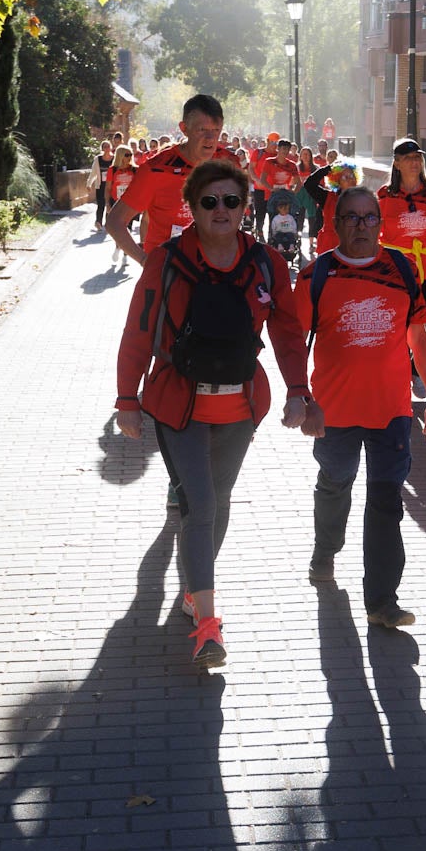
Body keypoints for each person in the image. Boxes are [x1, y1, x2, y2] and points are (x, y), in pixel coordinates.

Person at [115, 160, 310, 668]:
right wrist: (126, 399)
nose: (221, 210)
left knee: (217, 502)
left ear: (246, 207)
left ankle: (190, 590)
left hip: (240, 407)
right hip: (179, 405)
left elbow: (289, 332)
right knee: (199, 505)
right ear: (193, 207)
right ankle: (208, 625)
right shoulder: (167, 259)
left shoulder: (268, 262)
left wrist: (298, 389)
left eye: (231, 201)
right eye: (209, 202)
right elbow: (139, 331)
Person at [296, 187, 426, 627]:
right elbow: (291, 347)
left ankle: (382, 601)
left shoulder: (400, 268)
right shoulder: (315, 276)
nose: (361, 226)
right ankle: (325, 550)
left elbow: (418, 338)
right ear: (336, 223)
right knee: (335, 484)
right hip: (333, 412)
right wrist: (303, 401)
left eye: (369, 218)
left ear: (381, 224)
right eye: (352, 218)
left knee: (385, 502)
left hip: (392, 411)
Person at [107, 94, 229, 267]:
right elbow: (114, 222)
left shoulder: (229, 163)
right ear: (184, 128)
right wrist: (144, 260)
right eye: (202, 130)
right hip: (169, 270)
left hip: (214, 269)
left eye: (216, 130)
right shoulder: (156, 169)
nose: (210, 138)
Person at [379, 140, 426, 395]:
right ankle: (397, 370)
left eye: (418, 157)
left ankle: (414, 369)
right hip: (395, 268)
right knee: (397, 324)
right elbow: (371, 230)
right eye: (408, 157)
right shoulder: (384, 195)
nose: (415, 162)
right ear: (397, 163)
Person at [306, 161, 364, 256]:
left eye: (352, 176)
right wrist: (328, 169)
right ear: (338, 181)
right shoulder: (327, 197)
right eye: (345, 177)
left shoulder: (363, 199)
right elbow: (309, 184)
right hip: (329, 247)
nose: (350, 179)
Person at [88, 140, 114, 230]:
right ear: (102, 148)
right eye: (104, 147)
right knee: (101, 204)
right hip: (101, 185)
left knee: (109, 204)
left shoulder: (114, 159)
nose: (106, 148)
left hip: (111, 186)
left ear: (110, 147)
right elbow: (93, 173)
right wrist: (89, 183)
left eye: (108, 146)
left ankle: (108, 223)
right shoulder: (98, 159)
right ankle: (98, 222)